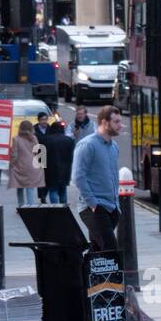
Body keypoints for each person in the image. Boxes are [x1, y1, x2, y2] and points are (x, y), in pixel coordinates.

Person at [72, 106, 123, 249]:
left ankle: (81, 271)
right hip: (93, 208)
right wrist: (93, 204)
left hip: (112, 208)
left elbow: (112, 175)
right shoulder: (87, 145)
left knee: (97, 252)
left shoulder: (114, 147)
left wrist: (116, 206)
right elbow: (78, 177)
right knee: (111, 251)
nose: (120, 125)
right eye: (116, 122)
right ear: (105, 123)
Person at [9, 120, 43, 207]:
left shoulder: (16, 139)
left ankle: (21, 205)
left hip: (20, 166)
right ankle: (30, 205)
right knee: (30, 187)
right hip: (32, 166)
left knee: (19, 187)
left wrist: (11, 164)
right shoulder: (34, 138)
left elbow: (14, 154)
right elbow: (38, 152)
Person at [41, 120, 75, 204]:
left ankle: (56, 209)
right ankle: (64, 208)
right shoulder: (69, 140)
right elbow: (72, 156)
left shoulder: (46, 140)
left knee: (53, 190)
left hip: (51, 170)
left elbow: (40, 157)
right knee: (63, 190)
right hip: (66, 170)